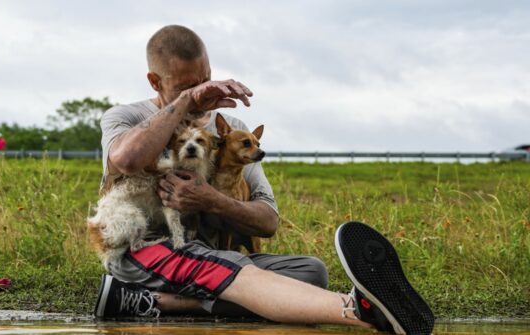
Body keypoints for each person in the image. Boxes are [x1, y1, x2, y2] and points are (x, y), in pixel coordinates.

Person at [94, 25, 434, 334]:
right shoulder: (126, 117)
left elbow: (268, 222)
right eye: (187, 87)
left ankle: (152, 303)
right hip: (145, 249)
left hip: (212, 257)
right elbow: (126, 159)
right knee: (233, 267)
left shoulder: (231, 133)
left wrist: (211, 200)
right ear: (155, 82)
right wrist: (185, 104)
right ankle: (360, 310)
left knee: (311, 273)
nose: (201, 94)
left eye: (205, 81)